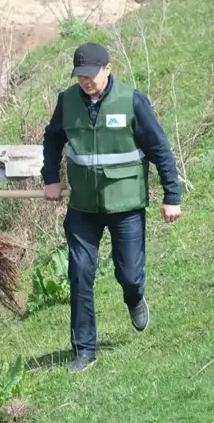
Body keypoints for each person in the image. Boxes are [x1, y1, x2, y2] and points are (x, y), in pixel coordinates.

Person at [40, 42, 183, 372]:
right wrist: (50, 177)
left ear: (107, 69)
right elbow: (52, 138)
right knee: (79, 274)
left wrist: (171, 196)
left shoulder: (132, 100)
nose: (86, 82)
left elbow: (159, 148)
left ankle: (134, 298)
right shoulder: (67, 101)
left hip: (126, 204)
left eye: (91, 75)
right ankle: (84, 349)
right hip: (83, 209)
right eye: (80, 76)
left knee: (130, 275)